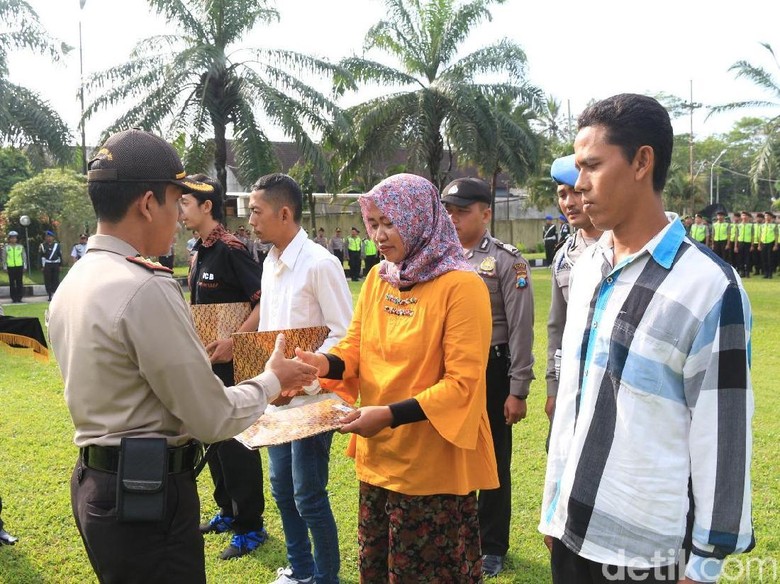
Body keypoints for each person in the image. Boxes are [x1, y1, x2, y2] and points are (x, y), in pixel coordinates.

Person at [47, 128, 317, 584]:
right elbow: (211, 417)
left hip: (100, 486)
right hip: (145, 494)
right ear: (149, 203)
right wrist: (272, 379)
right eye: (176, 203)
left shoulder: (76, 280)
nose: (179, 218)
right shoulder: (144, 286)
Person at [540, 94, 754, 584]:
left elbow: (723, 432)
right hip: (571, 529)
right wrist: (553, 505)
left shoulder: (707, 287)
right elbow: (577, 399)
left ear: (642, 162)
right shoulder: (589, 266)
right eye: (577, 168)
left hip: (645, 550)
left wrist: (703, 565)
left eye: (592, 166)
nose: (579, 183)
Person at [297, 173, 499, 583]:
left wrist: (386, 415)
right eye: (373, 224)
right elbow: (355, 347)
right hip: (379, 460)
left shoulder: (462, 286)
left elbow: (462, 385)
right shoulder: (380, 277)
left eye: (390, 222)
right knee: (378, 569)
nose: (379, 235)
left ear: (420, 218)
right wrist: (321, 365)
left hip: (431, 468)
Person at [248, 173, 353, 584]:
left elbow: (344, 333)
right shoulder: (271, 263)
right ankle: (300, 571)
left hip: (311, 401)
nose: (251, 220)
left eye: (257, 211)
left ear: (284, 213)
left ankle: (326, 578)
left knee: (308, 495)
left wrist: (308, 379)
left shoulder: (319, 264)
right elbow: (270, 330)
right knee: (281, 490)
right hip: (276, 401)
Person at [441, 176, 534, 578]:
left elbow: (520, 330)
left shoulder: (507, 261)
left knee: (494, 459)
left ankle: (492, 545)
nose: (453, 218)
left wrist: (517, 390)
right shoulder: (439, 256)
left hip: (492, 369)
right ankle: (459, 537)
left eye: (462, 211)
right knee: (451, 454)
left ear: (486, 213)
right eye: (449, 211)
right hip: (449, 371)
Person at [179, 173, 269, 560]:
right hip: (207, 361)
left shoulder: (233, 249)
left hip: (234, 364)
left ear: (206, 206)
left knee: (237, 442)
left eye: (185, 203)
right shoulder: (198, 250)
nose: (179, 209)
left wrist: (236, 340)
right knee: (210, 435)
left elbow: (264, 300)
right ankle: (227, 511)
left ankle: (250, 525)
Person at [545, 154, 603, 427]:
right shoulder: (563, 257)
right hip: (572, 383)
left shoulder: (625, 249)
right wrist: (553, 388)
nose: (568, 202)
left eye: (577, 193)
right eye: (562, 194)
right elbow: (557, 326)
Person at [2, 231, 26, 303]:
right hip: (10, 267)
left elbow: (24, 257)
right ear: (9, 239)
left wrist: (25, 266)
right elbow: (4, 258)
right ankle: (13, 298)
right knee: (12, 283)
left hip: (19, 266)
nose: (13, 239)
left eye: (14, 238)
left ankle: (19, 297)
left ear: (17, 239)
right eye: (11, 238)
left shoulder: (20, 247)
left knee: (19, 282)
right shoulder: (6, 247)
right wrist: (5, 267)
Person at [39, 230, 62, 300]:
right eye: (47, 237)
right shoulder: (42, 246)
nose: (48, 238)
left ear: (53, 238)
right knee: (48, 279)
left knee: (55, 279)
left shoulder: (57, 245)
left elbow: (59, 255)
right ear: (45, 238)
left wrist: (60, 265)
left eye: (50, 237)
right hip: (47, 264)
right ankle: (49, 294)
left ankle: (55, 293)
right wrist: (41, 266)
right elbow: (40, 256)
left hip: (55, 264)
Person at [734, 210, 754, 278]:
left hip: (748, 243)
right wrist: (735, 246)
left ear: (748, 217)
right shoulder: (739, 225)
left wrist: (752, 245)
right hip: (740, 243)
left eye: (745, 215)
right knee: (740, 258)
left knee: (747, 258)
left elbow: (752, 236)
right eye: (743, 215)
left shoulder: (751, 225)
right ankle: (741, 272)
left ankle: (747, 272)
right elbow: (736, 236)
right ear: (741, 217)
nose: (744, 217)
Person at [758, 210, 777, 278]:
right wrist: (759, 244)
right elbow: (760, 235)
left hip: (770, 243)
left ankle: (770, 274)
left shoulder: (774, 226)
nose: (767, 217)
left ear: (771, 217)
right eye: (766, 216)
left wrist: (775, 245)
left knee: (770, 259)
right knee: (764, 258)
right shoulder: (762, 226)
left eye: (768, 216)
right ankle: (765, 273)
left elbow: (776, 235)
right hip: (763, 243)